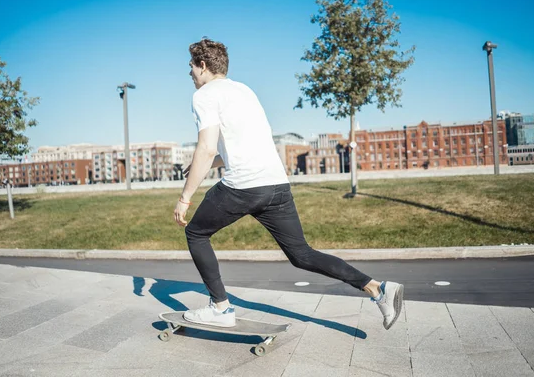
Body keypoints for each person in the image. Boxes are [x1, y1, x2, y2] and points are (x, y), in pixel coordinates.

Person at [171, 38, 404, 330]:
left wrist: (185, 196)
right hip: (277, 185)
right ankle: (378, 289)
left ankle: (220, 308)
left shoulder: (204, 95)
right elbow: (242, 147)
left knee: (195, 232)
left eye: (191, 66)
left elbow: (206, 148)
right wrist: (206, 164)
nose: (190, 73)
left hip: (243, 187)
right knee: (301, 254)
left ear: (203, 66)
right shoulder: (245, 91)